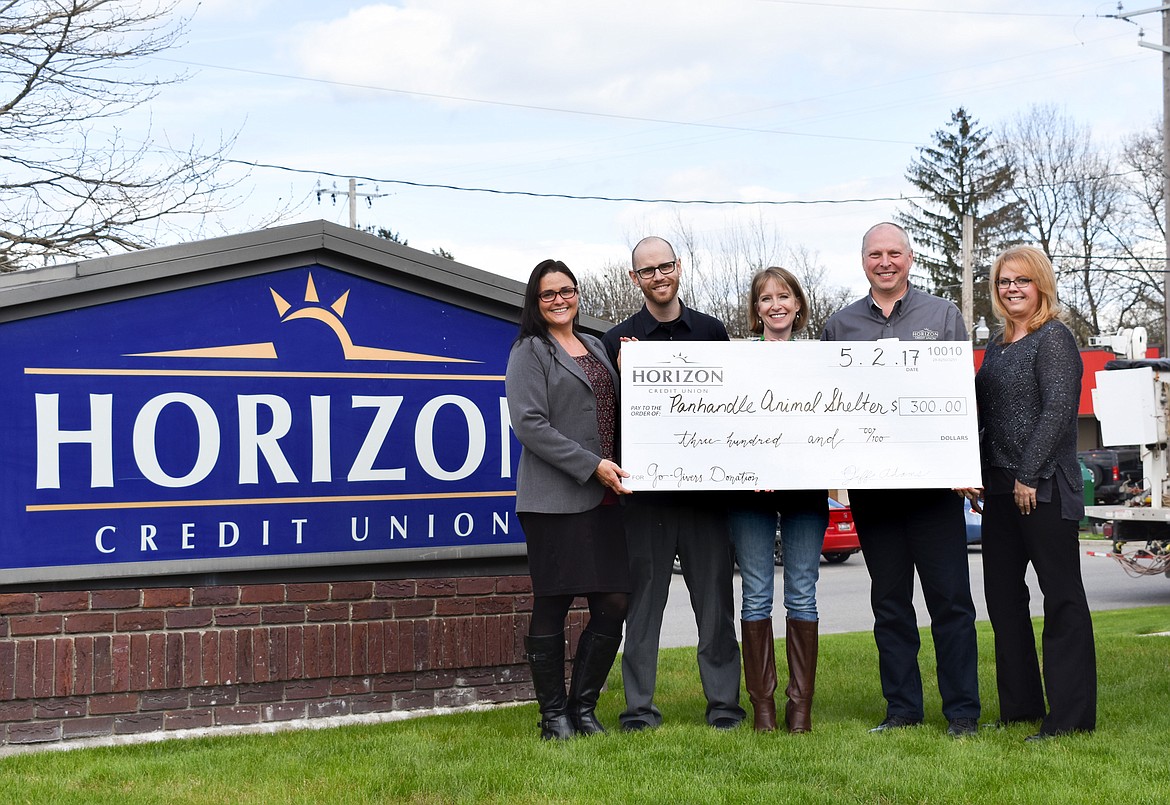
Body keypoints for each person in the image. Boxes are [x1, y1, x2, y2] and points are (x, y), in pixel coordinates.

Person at [821, 222, 981, 738]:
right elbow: (826, 404)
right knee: (889, 604)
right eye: (875, 254)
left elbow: (962, 397)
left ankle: (962, 712)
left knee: (950, 602)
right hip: (874, 492)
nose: (885, 262)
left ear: (909, 259)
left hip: (934, 491)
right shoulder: (839, 326)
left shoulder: (943, 315)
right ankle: (902, 710)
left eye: (894, 253)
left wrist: (963, 464)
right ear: (862, 261)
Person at [601, 236, 746, 731]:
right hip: (646, 501)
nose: (658, 276)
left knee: (716, 607)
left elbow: (732, 407)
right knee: (643, 609)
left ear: (679, 267)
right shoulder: (617, 340)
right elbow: (608, 421)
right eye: (647, 270)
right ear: (634, 278)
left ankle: (724, 707)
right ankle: (638, 710)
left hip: (706, 497)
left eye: (665, 266)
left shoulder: (711, 331)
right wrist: (624, 378)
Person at [968, 245, 1096, 742]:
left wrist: (1028, 474)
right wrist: (973, 471)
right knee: (1004, 602)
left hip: (1043, 487)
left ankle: (1070, 718)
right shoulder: (998, 346)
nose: (1012, 289)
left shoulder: (1054, 337)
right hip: (1000, 489)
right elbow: (987, 419)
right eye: (1004, 281)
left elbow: (1059, 410)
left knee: (1062, 599)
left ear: (1040, 283)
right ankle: (1020, 708)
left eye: (1021, 280)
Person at [505, 258, 632, 740]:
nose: (559, 300)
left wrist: (632, 369)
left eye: (567, 290)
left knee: (614, 601)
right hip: (553, 499)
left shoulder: (596, 346)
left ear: (577, 294)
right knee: (553, 603)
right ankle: (553, 716)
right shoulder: (529, 350)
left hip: (606, 499)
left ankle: (583, 708)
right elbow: (529, 425)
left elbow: (614, 409)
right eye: (548, 294)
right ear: (535, 302)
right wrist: (591, 465)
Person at [729, 267, 830, 733]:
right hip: (749, 494)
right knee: (755, 594)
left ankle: (800, 709)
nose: (776, 305)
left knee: (802, 592)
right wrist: (754, 466)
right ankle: (764, 710)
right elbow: (722, 424)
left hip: (805, 492)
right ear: (756, 309)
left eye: (784, 296)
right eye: (766, 298)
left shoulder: (821, 359)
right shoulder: (736, 359)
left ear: (797, 304)